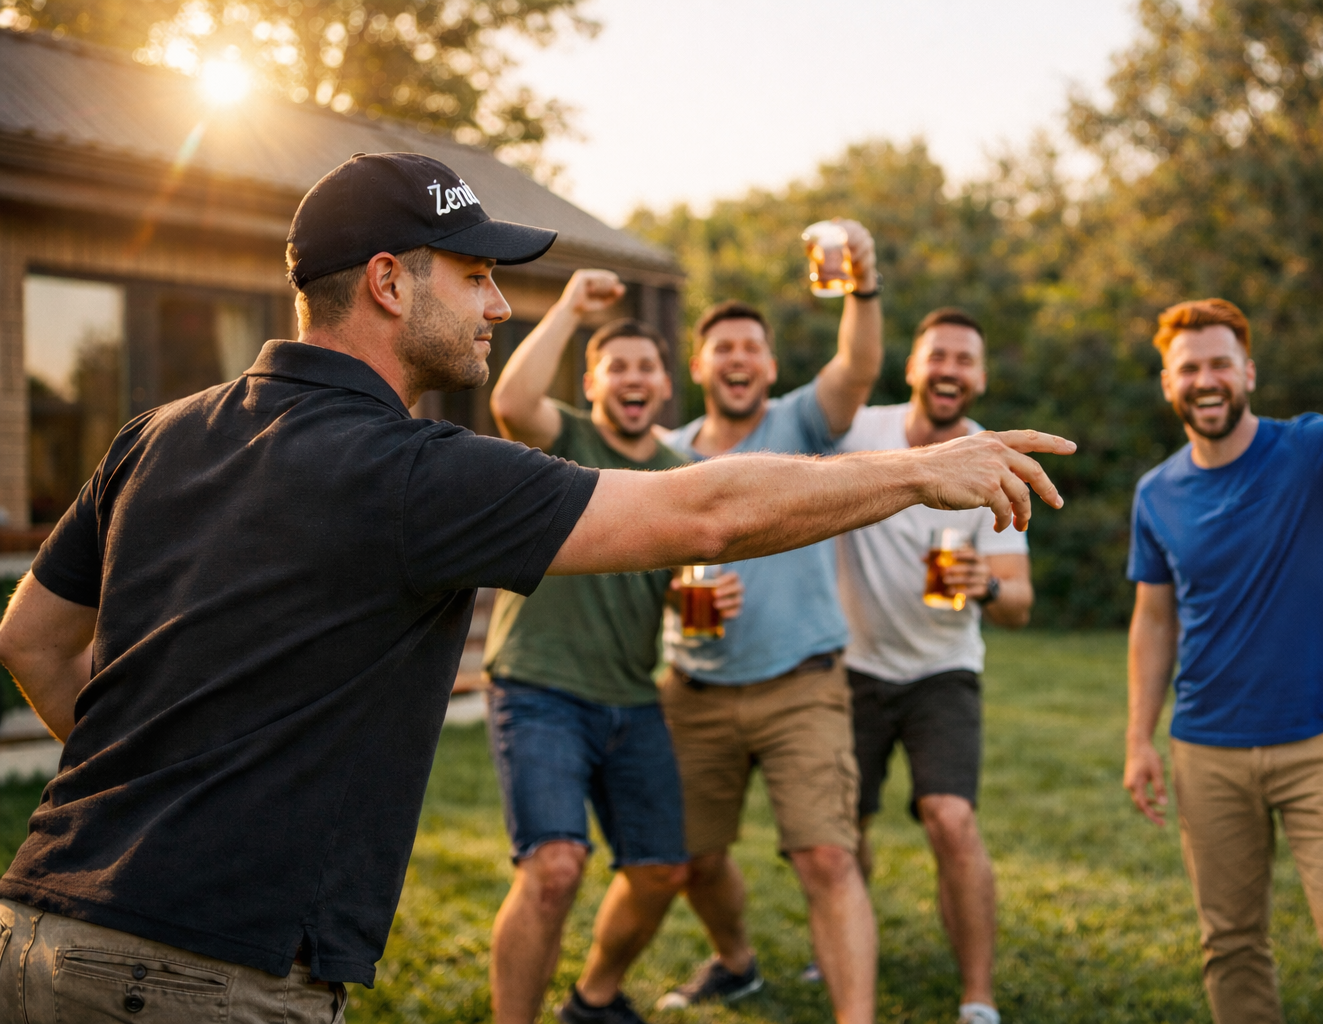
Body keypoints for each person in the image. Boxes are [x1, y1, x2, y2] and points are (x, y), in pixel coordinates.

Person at [0, 152, 1073, 1024]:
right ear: (388, 280)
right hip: (203, 975)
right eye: (474, 276)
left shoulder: (155, 434)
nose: (500, 306)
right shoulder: (413, 471)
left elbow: (34, 639)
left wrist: (148, 775)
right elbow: (698, 512)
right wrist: (921, 469)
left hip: (38, 924)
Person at [1122, 295, 1323, 1024]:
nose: (1206, 380)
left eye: (1220, 365)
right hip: (1206, 748)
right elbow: (1154, 618)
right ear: (1168, 384)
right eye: (1189, 368)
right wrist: (1140, 735)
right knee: (1230, 944)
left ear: (1249, 373)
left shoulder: (1314, 449)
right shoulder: (1157, 492)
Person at [481, 269, 743, 1024]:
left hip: (633, 695)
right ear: (592, 383)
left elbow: (678, 590)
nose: (632, 378)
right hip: (538, 686)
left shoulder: (683, 473)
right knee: (554, 867)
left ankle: (594, 999)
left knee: (663, 869)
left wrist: (704, 602)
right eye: (615, 367)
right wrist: (568, 306)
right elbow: (511, 401)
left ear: (664, 386)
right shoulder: (566, 440)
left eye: (644, 368)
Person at [654, 222, 884, 1024]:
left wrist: (862, 280)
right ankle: (734, 960)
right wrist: (679, 602)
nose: (739, 359)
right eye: (724, 347)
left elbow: (857, 367)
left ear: (772, 366)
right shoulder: (667, 455)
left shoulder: (799, 427)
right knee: (691, 858)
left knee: (827, 854)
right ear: (700, 365)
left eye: (752, 346)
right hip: (697, 689)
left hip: (802, 685)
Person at [834, 308, 1032, 1024]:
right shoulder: (862, 433)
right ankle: (844, 937)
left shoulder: (994, 457)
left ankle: (977, 995)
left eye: (965, 360)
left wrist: (988, 585)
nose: (950, 370)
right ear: (913, 367)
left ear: (978, 378)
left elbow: (1020, 603)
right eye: (938, 355)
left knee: (951, 819)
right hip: (853, 666)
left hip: (944, 670)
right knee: (844, 827)